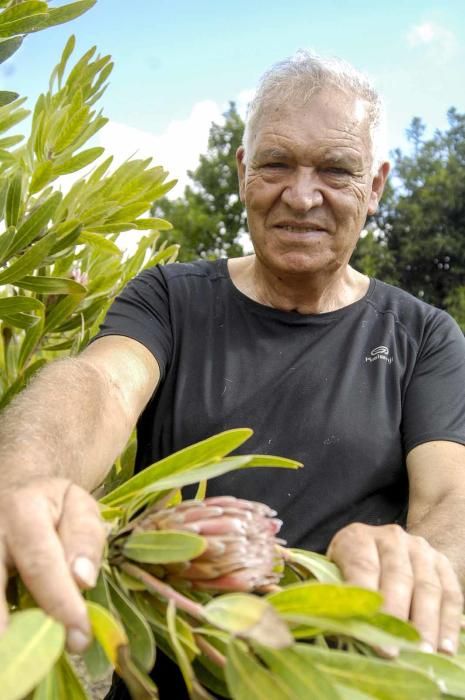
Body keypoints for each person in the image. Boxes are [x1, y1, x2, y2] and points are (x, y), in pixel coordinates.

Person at [1, 50, 464, 698]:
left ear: (376, 184)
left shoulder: (424, 336)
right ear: (243, 172)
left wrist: (424, 564)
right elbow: (101, 387)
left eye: (335, 170)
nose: (301, 196)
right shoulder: (169, 298)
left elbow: (449, 499)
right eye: (276, 164)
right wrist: (21, 482)